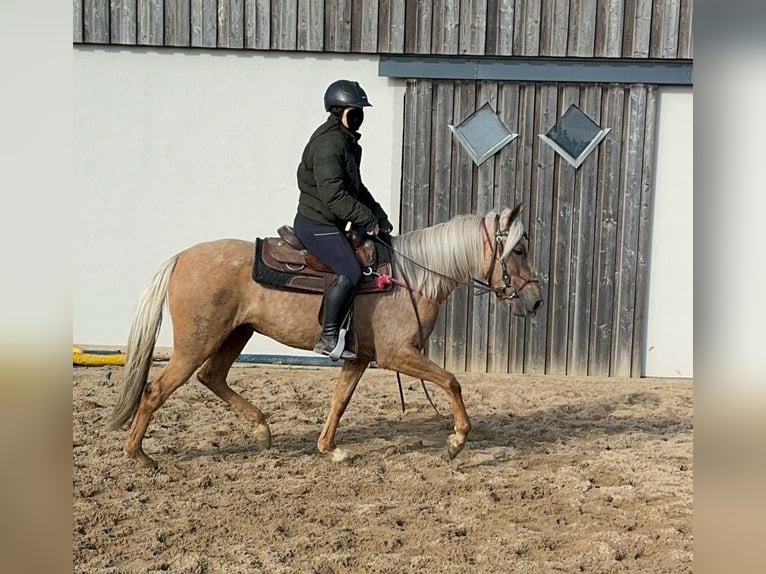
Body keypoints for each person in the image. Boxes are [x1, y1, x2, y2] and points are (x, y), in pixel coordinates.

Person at [293, 79, 393, 360]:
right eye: (355, 111)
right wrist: (365, 218)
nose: (360, 117)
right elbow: (334, 196)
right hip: (316, 223)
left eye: (361, 112)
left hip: (332, 221)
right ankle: (328, 337)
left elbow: (356, 188)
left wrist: (379, 216)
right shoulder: (329, 145)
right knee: (351, 271)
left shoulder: (347, 143)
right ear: (339, 112)